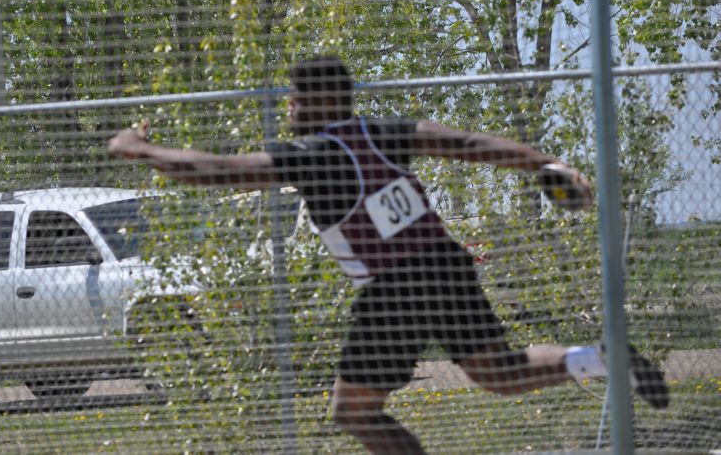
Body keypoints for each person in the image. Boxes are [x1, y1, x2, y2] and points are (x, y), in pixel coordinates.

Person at [109, 56, 668, 454]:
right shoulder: (386, 133)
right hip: (444, 264)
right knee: (499, 374)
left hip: (393, 288)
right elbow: (471, 146)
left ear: (317, 102)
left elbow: (217, 171)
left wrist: (140, 149)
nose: (290, 106)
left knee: (353, 413)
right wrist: (545, 164)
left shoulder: (312, 155)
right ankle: (601, 358)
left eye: (297, 98)